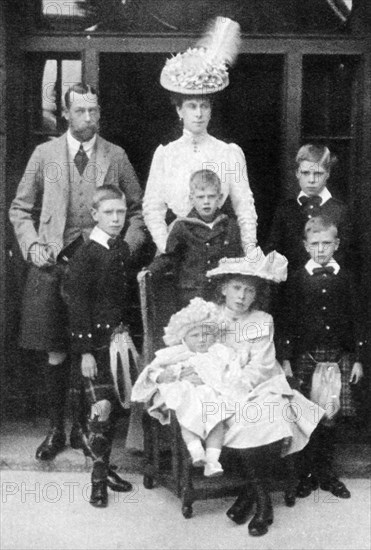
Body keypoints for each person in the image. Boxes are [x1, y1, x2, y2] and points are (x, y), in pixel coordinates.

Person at [8, 83, 146, 461]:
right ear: (66, 114)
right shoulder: (45, 154)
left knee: (95, 350)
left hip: (99, 268)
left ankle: (85, 429)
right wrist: (33, 245)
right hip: (54, 265)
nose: (89, 118)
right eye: (81, 111)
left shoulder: (115, 156)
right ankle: (56, 429)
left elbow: (138, 210)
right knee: (56, 350)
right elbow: (20, 209)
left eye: (94, 111)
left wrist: (125, 249)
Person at [205, 250, 325, 536]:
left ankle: (255, 497)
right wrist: (226, 386)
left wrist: (241, 387)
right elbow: (201, 354)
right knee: (239, 419)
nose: (242, 296)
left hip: (260, 384)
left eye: (249, 290)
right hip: (217, 387)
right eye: (236, 288)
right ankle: (261, 499)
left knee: (268, 415)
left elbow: (262, 363)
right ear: (223, 288)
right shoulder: (208, 315)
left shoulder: (262, 319)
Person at [143, 17, 257, 255]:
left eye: (204, 106)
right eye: (192, 106)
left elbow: (244, 206)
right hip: (178, 250)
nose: (198, 113)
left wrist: (249, 249)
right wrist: (167, 248)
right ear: (179, 110)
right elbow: (152, 208)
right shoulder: (166, 154)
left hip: (221, 246)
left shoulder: (228, 153)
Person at [63, 185, 139, 507]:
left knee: (116, 408)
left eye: (121, 212)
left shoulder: (120, 249)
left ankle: (103, 466)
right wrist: (84, 353)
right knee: (101, 411)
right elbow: (77, 304)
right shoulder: (85, 255)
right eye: (108, 212)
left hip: (118, 343)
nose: (116, 218)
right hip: (94, 347)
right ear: (94, 214)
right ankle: (97, 484)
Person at [279, 216, 365, 500]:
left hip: (338, 357)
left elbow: (359, 320)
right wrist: (287, 357)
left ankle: (327, 474)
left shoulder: (348, 278)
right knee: (306, 417)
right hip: (307, 356)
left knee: (331, 416)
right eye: (315, 243)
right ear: (305, 246)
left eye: (327, 243)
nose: (321, 249)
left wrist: (359, 358)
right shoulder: (296, 278)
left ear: (336, 244)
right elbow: (287, 319)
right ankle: (306, 474)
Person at [132, 297, 252, 477]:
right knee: (186, 412)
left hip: (212, 397)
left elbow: (232, 369)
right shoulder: (176, 353)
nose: (202, 340)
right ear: (183, 338)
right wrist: (164, 375)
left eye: (207, 334)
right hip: (186, 396)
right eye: (195, 336)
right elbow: (152, 370)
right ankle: (196, 451)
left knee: (216, 420)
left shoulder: (219, 352)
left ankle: (212, 460)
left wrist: (237, 361)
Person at [147, 169, 243, 308]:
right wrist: (150, 271)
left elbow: (237, 258)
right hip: (191, 294)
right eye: (200, 197)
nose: (206, 202)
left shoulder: (230, 226)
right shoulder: (182, 227)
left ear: (220, 198)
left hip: (220, 294)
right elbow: (169, 257)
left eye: (211, 196)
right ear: (192, 198)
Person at [265, 143, 353, 272]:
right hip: (291, 284)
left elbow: (348, 256)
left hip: (328, 282)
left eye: (318, 173)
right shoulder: (286, 209)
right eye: (305, 173)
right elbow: (273, 251)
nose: (311, 180)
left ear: (327, 173)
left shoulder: (340, 211)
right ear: (297, 173)